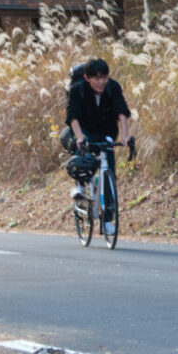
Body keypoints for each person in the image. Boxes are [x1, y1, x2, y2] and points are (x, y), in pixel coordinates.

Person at [62, 59, 131, 228]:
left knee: (109, 173)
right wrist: (79, 137)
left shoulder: (113, 87)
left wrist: (125, 135)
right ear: (87, 78)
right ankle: (80, 186)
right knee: (83, 156)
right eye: (97, 78)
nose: (102, 82)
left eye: (105, 77)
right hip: (84, 129)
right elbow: (73, 116)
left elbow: (122, 111)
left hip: (106, 130)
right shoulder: (77, 90)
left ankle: (107, 219)